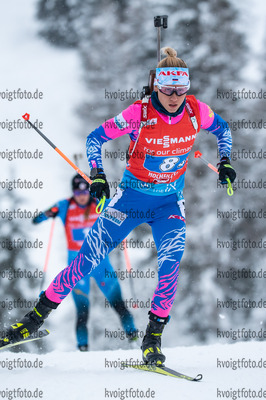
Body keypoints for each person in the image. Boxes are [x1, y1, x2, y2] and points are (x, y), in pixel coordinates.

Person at [2, 47, 236, 365]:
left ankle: (152, 340)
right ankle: (31, 322)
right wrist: (98, 176)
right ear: (157, 86)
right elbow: (95, 138)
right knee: (86, 261)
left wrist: (225, 162)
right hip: (129, 199)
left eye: (181, 89)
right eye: (168, 88)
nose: (174, 96)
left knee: (170, 264)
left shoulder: (196, 112)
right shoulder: (139, 113)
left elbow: (223, 129)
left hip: (168, 203)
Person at [33, 174, 137, 351]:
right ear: (73, 192)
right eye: (77, 191)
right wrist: (43, 216)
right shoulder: (64, 206)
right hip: (77, 265)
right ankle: (83, 350)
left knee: (119, 304)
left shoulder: (99, 203)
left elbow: (123, 206)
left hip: (101, 263)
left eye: (84, 190)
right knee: (82, 312)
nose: (81, 195)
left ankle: (134, 340)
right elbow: (41, 217)